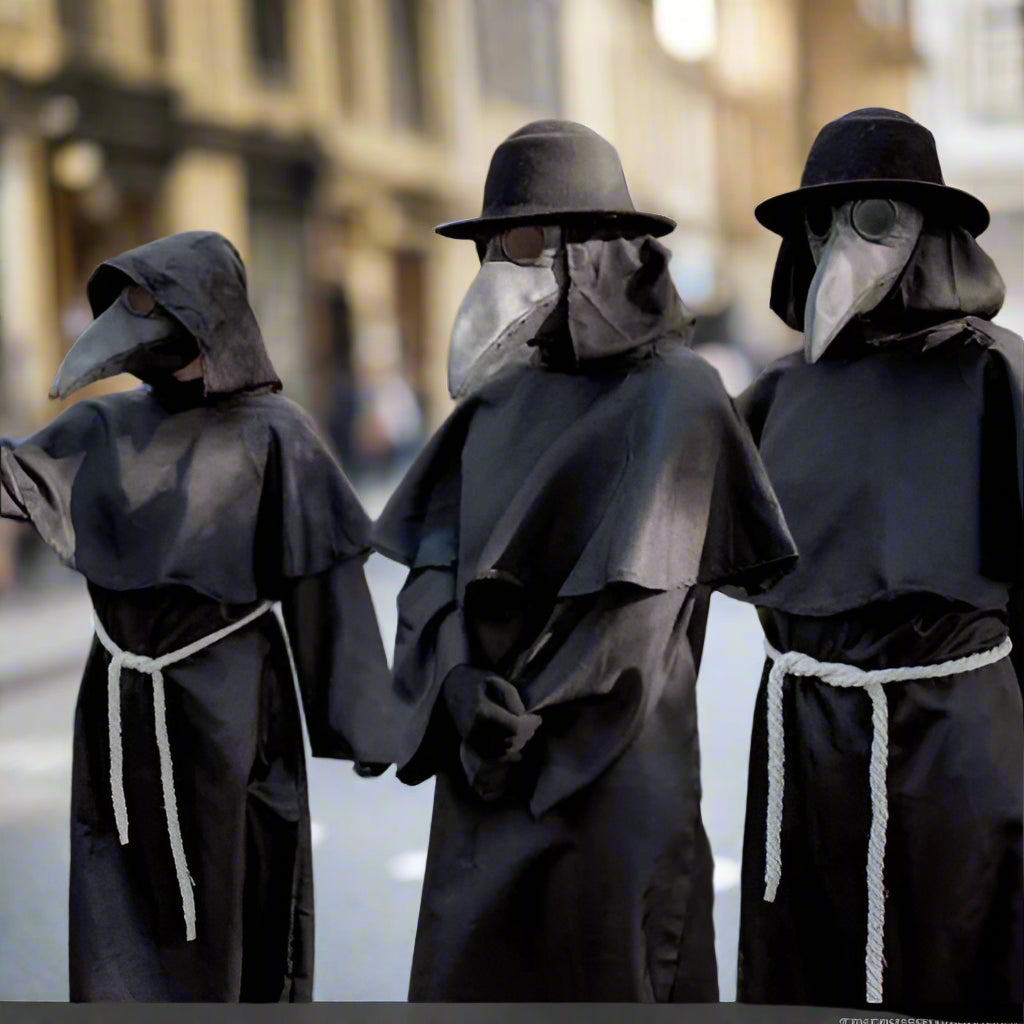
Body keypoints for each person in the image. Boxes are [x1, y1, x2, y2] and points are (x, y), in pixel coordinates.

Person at [371, 120, 797, 1002]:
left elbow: (639, 617)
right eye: (491, 244)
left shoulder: (679, 396)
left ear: (594, 249)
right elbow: (434, 565)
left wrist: (530, 713)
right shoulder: (493, 406)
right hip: (483, 777)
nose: (501, 264)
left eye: (523, 241)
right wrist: (454, 682)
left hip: (613, 777)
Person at [0, 231, 392, 1002]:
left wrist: (374, 723)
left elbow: (328, 599)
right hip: (118, 710)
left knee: (233, 897)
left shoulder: (280, 435)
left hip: (230, 712)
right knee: (116, 891)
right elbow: (17, 476)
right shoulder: (105, 428)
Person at [733, 108, 1024, 1019]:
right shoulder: (778, 394)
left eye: (872, 216)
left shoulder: (997, 378)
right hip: (802, 745)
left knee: (958, 965)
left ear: (926, 228)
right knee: (810, 975)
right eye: (826, 222)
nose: (842, 246)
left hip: (952, 738)